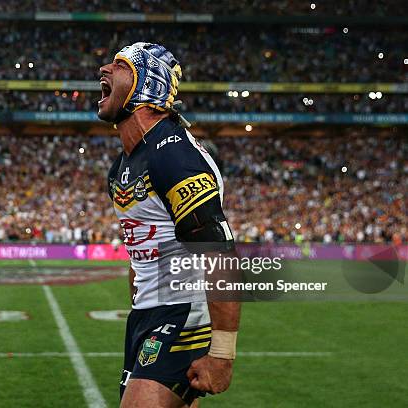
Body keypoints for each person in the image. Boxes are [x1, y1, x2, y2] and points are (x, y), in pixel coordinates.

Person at [98, 42, 241, 408]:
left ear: (147, 83)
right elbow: (141, 247)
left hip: (182, 311)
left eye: (119, 65)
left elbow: (219, 254)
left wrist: (222, 353)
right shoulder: (123, 165)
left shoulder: (174, 155)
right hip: (147, 315)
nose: (104, 69)